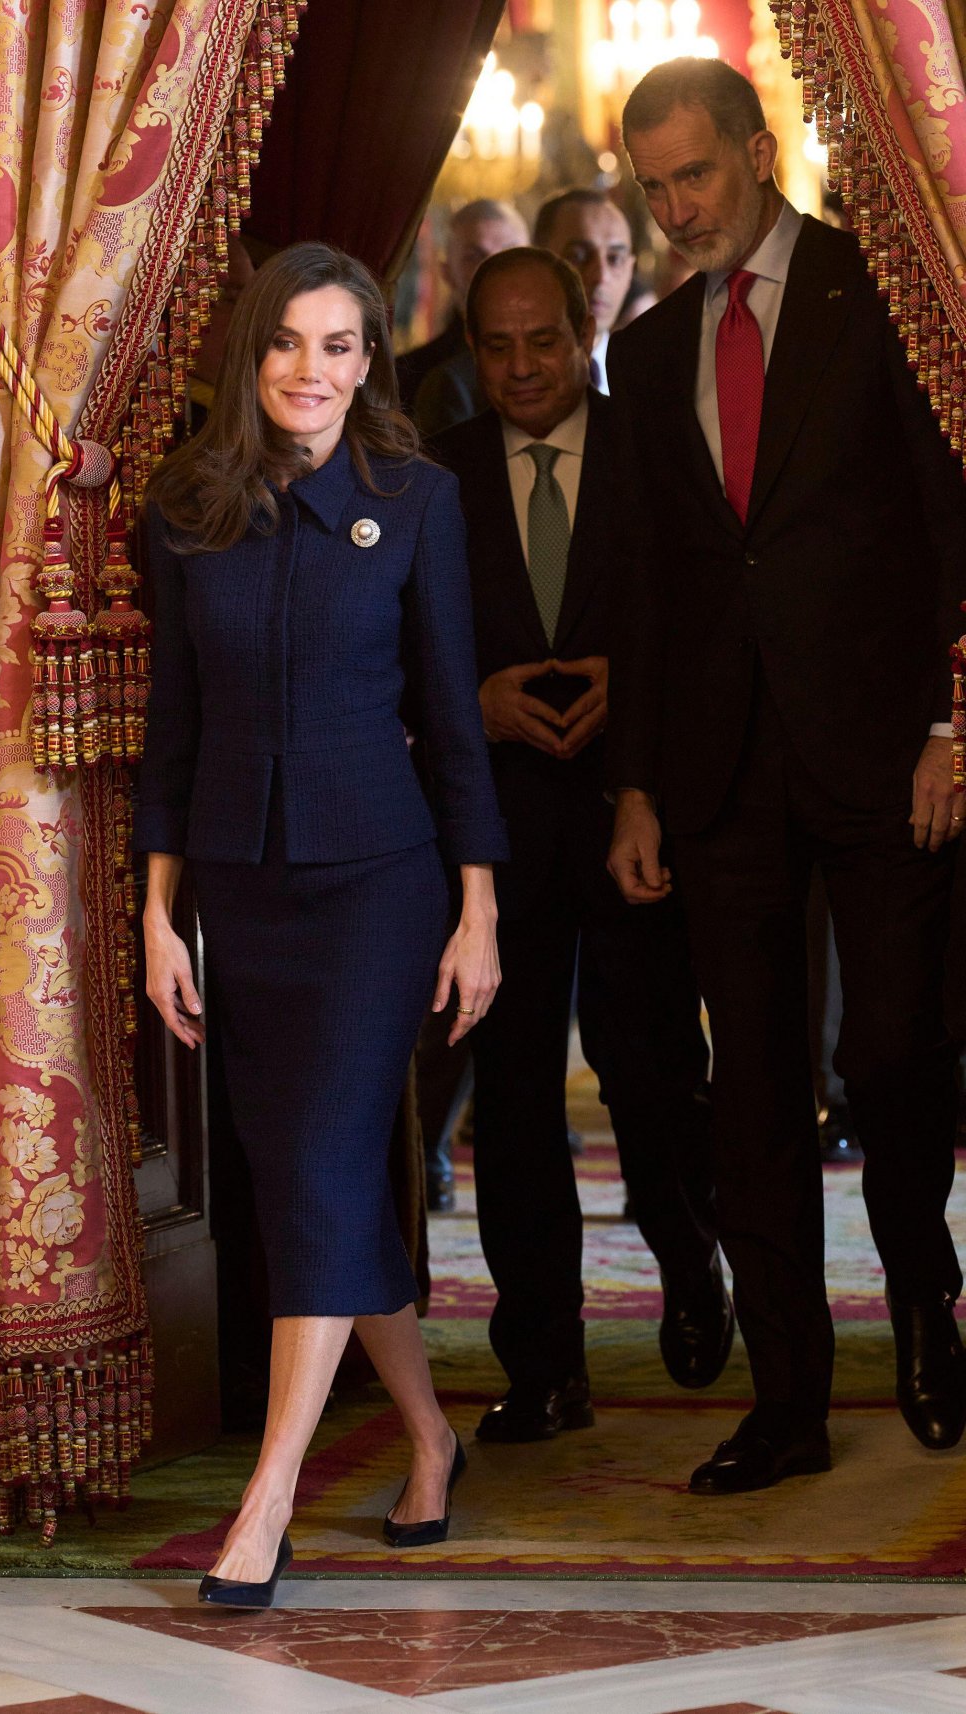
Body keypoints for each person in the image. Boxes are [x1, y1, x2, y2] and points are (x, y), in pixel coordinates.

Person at [606, 57, 966, 1495]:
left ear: (759, 151)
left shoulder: (880, 287)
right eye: (654, 184)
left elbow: (952, 518)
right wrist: (635, 785)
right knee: (745, 1093)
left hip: (885, 749)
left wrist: (956, 719)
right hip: (719, 765)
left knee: (891, 1058)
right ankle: (789, 1398)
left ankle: (930, 1315)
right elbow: (641, 585)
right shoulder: (643, 352)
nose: (677, 205)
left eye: (694, 173)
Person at [136, 241, 507, 1606]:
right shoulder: (188, 508)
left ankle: (270, 1493)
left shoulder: (416, 500)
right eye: (290, 343)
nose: (313, 371)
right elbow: (171, 731)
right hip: (241, 883)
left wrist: (478, 906)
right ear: (254, 357)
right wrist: (157, 911)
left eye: (341, 345)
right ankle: (426, 1435)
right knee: (320, 1172)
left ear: (371, 359)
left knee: (320, 1166)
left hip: (380, 881)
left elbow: (455, 716)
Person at [432, 246, 727, 1444]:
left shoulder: (652, 446)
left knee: (652, 1072)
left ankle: (690, 1258)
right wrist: (478, 701)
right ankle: (544, 1361)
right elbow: (407, 644)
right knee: (509, 1107)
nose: (520, 368)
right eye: (496, 348)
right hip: (497, 832)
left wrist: (634, 697)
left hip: (627, 814)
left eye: (541, 341)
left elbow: (701, 612)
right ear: (473, 353)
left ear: (582, 330)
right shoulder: (437, 475)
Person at [402, 199, 529, 437]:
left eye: (510, 253)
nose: (493, 268)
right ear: (447, 272)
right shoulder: (409, 375)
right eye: (474, 256)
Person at [533, 188, 636, 394]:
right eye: (578, 256)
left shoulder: (651, 382)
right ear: (536, 263)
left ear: (630, 272)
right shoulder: (484, 385)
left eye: (614, 259)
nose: (600, 277)